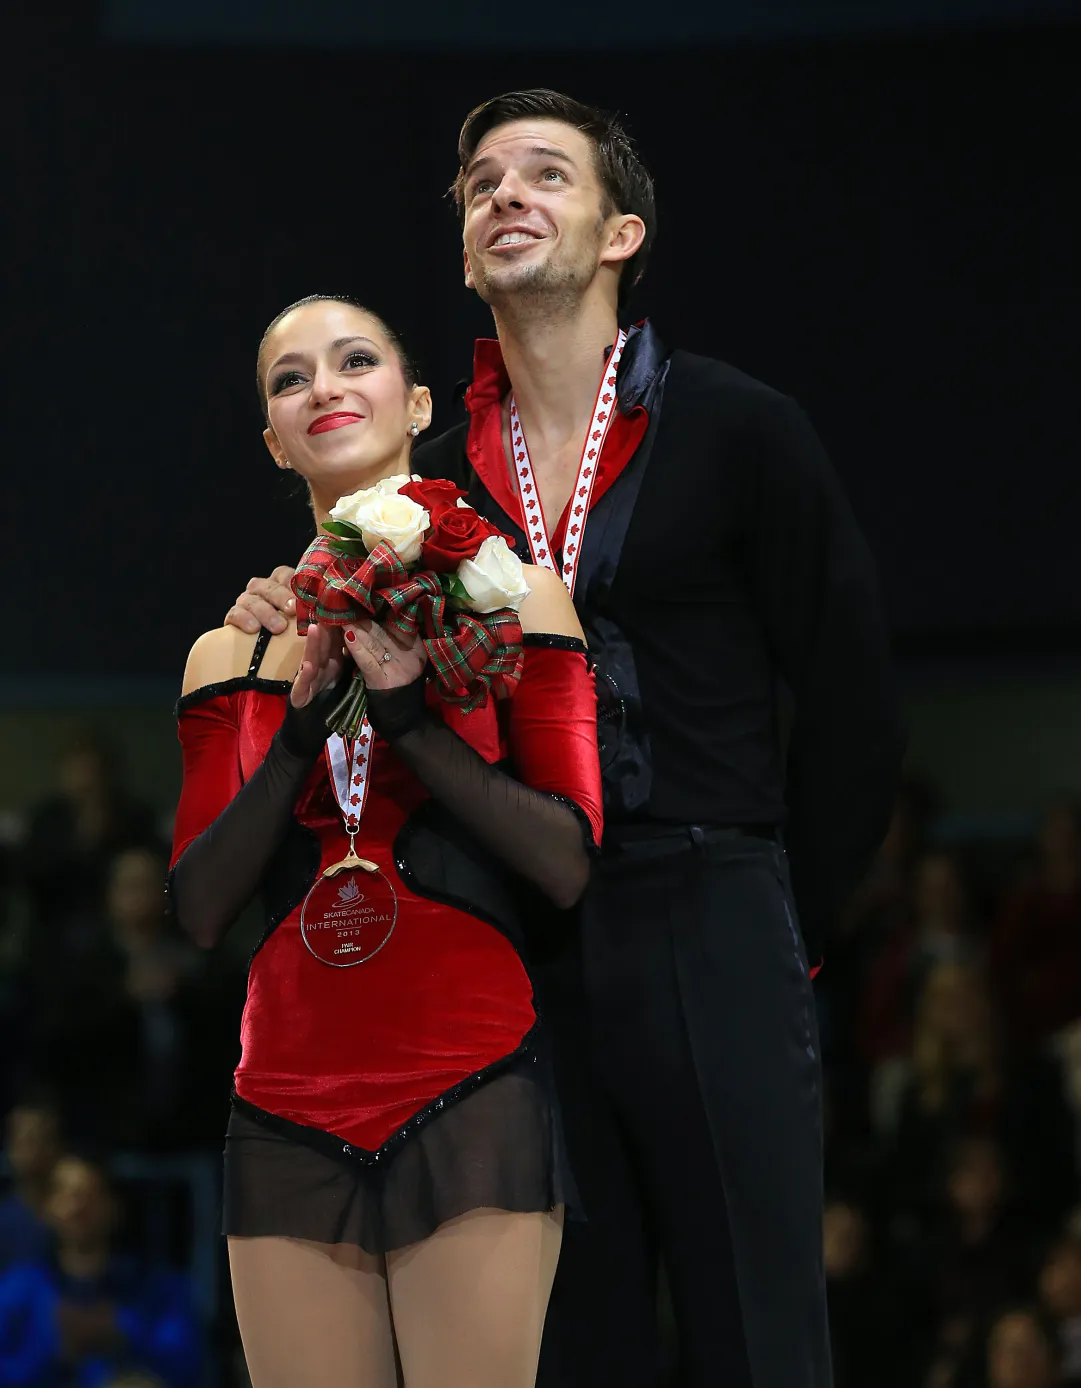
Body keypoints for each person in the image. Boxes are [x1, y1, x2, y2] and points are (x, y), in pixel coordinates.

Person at [226, 89, 905, 1388]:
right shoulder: (433, 487)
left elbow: (855, 704)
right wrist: (272, 596)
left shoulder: (738, 426)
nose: (504, 196)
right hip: (520, 936)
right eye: (481, 184)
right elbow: (337, 607)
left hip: (710, 903)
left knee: (755, 1339)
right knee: (569, 1350)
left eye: (546, 173)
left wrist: (782, 924)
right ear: (467, 254)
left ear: (620, 231)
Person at [171, 296, 603, 1388]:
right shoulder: (237, 648)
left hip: (470, 1081)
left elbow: (561, 860)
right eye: (290, 378)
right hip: (284, 1103)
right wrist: (296, 738)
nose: (323, 386)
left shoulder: (517, 599)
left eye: (353, 360)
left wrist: (409, 719)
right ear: (274, 440)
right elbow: (201, 906)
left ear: (415, 403)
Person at [0, 1153, 202, 1388]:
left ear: (114, 1208)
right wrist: (55, 1352)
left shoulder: (158, 1289)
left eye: (91, 1193)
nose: (78, 1205)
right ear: (47, 1210)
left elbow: (189, 1364)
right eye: (67, 1194)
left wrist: (121, 1333)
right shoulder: (18, 1290)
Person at [0, 1098, 63, 1273]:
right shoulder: (4, 1218)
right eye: (25, 1140)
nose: (34, 1149)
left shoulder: (76, 1217)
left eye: (44, 1139)